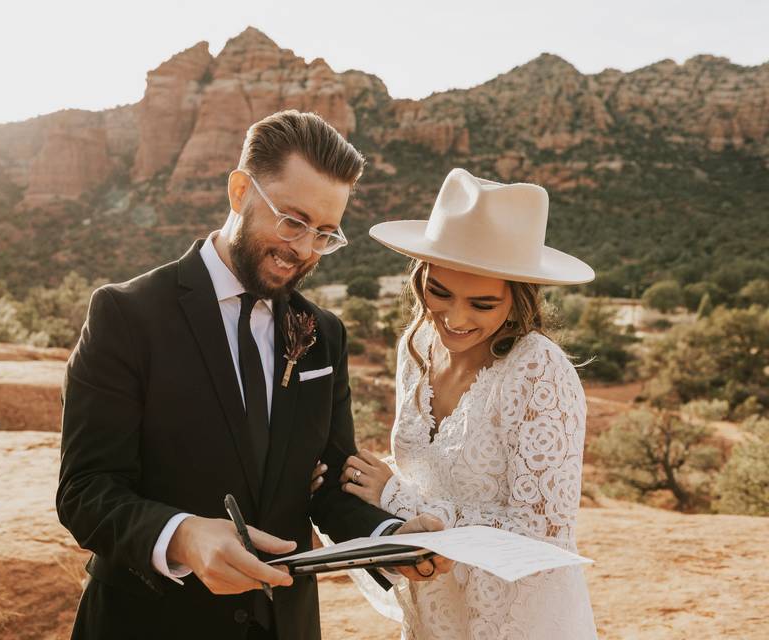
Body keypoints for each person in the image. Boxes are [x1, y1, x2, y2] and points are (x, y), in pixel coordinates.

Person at [56, 110, 451, 640]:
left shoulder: (324, 333)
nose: (305, 249)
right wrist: (183, 537)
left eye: (326, 234)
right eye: (292, 220)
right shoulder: (126, 315)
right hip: (148, 622)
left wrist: (391, 536)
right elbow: (85, 490)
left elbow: (329, 483)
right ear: (240, 190)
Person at [332, 168, 599, 639]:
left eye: (482, 303)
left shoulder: (539, 371)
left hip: (515, 619)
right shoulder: (415, 347)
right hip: (435, 609)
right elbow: (437, 466)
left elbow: (539, 534)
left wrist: (395, 494)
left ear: (518, 299)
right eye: (439, 292)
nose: (454, 318)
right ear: (421, 276)